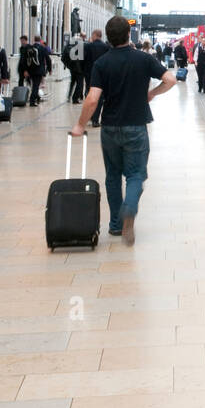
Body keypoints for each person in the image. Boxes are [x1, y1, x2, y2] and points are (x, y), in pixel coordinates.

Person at [71, 16, 179, 245]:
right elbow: (170, 79)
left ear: (108, 37)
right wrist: (152, 94)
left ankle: (116, 225)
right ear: (129, 35)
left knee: (112, 176)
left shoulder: (102, 63)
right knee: (136, 174)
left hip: (109, 127)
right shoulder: (143, 58)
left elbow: (92, 99)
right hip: (136, 126)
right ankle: (129, 208)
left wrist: (80, 124)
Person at [83, 28, 110, 127]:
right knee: (100, 97)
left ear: (94, 35)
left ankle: (90, 115)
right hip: (102, 75)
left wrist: (83, 71)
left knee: (89, 94)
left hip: (89, 74)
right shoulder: (106, 47)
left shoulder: (88, 46)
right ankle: (95, 119)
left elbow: (83, 60)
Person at [21, 35, 47, 106]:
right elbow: (47, 59)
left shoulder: (29, 48)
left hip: (30, 70)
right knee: (36, 86)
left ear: (34, 40)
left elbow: (24, 60)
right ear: (40, 40)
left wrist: (25, 70)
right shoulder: (42, 48)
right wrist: (49, 69)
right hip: (39, 71)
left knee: (34, 85)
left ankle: (37, 97)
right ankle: (32, 101)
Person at [64, 33, 86, 103]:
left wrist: (68, 65)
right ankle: (75, 98)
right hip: (79, 68)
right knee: (80, 83)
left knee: (72, 82)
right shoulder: (81, 45)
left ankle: (69, 96)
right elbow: (83, 58)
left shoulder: (71, 45)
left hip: (72, 67)